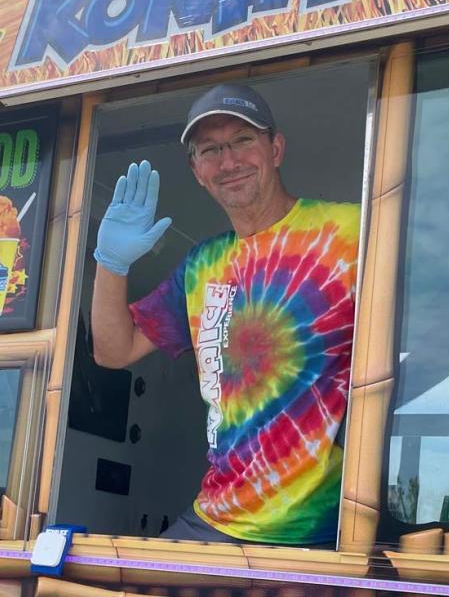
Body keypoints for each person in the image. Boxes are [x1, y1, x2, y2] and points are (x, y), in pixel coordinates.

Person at [91, 83, 360, 546]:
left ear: (275, 149)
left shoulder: (352, 232)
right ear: (197, 172)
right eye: (210, 150)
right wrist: (110, 263)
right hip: (214, 519)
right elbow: (114, 352)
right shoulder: (201, 265)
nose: (228, 161)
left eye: (242, 140)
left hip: (313, 529)